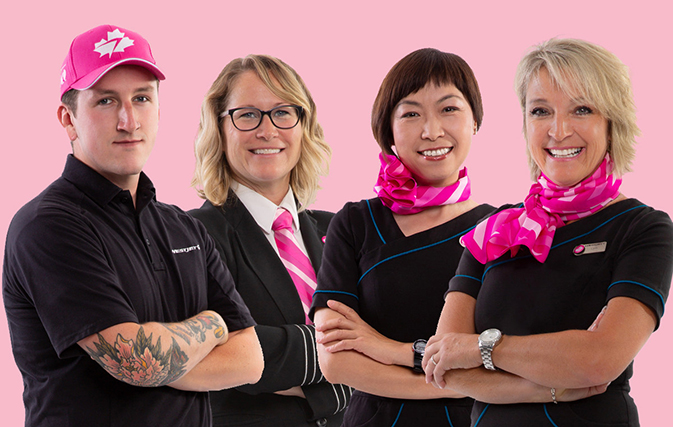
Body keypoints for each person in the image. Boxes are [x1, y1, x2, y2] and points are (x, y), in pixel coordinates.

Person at [2, 25, 263, 427]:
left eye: (141, 98)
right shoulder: (48, 226)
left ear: (158, 110)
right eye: (105, 101)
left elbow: (250, 360)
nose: (129, 120)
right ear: (68, 119)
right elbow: (137, 364)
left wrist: (160, 358)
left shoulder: (184, 228)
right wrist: (212, 324)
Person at [423, 38, 673, 427]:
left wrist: (480, 347)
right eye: (541, 111)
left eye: (582, 109)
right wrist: (546, 387)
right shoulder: (494, 230)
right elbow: (445, 365)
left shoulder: (643, 228)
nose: (559, 130)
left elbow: (599, 360)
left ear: (612, 122)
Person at [310, 48, 494, 426]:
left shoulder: (503, 228)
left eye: (449, 109)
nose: (432, 131)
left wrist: (386, 349)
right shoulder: (356, 223)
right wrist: (455, 376)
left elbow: (507, 357)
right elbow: (336, 362)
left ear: (475, 121)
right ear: (388, 131)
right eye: (411, 114)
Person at [189, 54, 351, 427]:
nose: (267, 130)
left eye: (282, 112)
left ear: (302, 125)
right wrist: (347, 372)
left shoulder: (341, 231)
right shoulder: (192, 235)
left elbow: (388, 336)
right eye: (247, 114)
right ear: (220, 127)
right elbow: (222, 354)